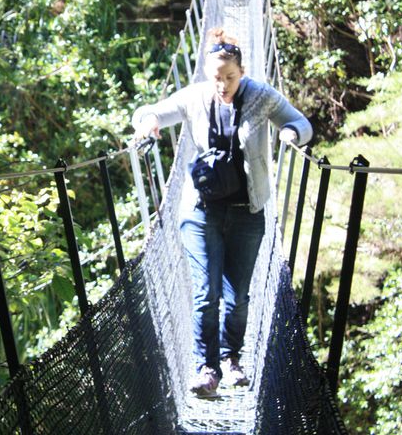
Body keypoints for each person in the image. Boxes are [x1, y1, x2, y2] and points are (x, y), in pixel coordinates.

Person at [132, 28, 312, 397]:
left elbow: (302, 124)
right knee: (205, 294)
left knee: (239, 298)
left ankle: (232, 359)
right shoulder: (196, 96)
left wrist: (291, 134)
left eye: (230, 77)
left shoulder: (261, 97)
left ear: (241, 72)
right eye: (217, 78)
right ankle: (207, 368)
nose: (223, 85)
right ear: (206, 75)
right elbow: (150, 111)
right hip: (201, 212)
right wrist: (147, 124)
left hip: (248, 212)